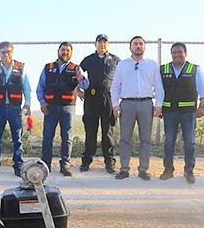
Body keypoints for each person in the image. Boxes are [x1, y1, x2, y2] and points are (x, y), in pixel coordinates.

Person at [110, 36, 164, 180]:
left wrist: (158, 104)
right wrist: (115, 105)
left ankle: (143, 169)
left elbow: (158, 86)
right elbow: (115, 86)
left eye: (141, 44)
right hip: (127, 104)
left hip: (146, 104)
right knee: (125, 138)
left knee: (145, 139)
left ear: (144, 47)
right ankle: (124, 168)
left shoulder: (152, 65)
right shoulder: (122, 65)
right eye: (135, 44)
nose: (138, 46)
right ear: (130, 47)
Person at [159, 42, 204, 184]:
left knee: (190, 142)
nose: (177, 55)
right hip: (169, 112)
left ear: (185, 53)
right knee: (169, 141)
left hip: (188, 113)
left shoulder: (194, 69)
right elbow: (158, 90)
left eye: (180, 52)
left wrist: (202, 106)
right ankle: (168, 169)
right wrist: (158, 107)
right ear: (171, 54)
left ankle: (189, 171)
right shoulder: (163, 69)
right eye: (174, 52)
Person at [36, 42, 83, 176]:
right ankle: (46, 165)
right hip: (50, 107)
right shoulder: (48, 67)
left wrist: (82, 79)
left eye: (68, 50)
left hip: (68, 107)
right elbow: (40, 87)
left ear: (71, 53)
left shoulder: (76, 68)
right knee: (47, 137)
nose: (65, 52)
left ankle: (65, 165)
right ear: (58, 51)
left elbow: (85, 85)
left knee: (67, 137)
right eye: (63, 50)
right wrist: (42, 102)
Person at [0, 41, 32, 177]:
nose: (6, 54)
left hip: (15, 108)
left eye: (9, 51)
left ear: (13, 52)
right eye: (3, 52)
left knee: (17, 138)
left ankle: (18, 166)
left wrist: (28, 104)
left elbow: (26, 87)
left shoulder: (20, 67)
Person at [77, 34, 120, 174]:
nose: (103, 45)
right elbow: (77, 74)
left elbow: (123, 78)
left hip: (108, 97)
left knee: (107, 132)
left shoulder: (115, 60)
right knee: (90, 131)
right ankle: (86, 161)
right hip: (91, 97)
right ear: (95, 44)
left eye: (105, 42)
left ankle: (110, 162)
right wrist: (78, 90)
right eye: (100, 42)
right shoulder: (88, 60)